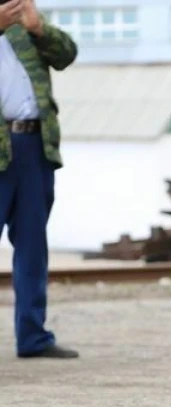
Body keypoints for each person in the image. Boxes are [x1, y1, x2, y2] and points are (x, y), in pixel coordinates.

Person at [0, 0, 79, 359]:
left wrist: (38, 28)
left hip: (34, 146)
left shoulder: (24, 26)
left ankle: (33, 337)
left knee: (33, 246)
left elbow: (66, 54)